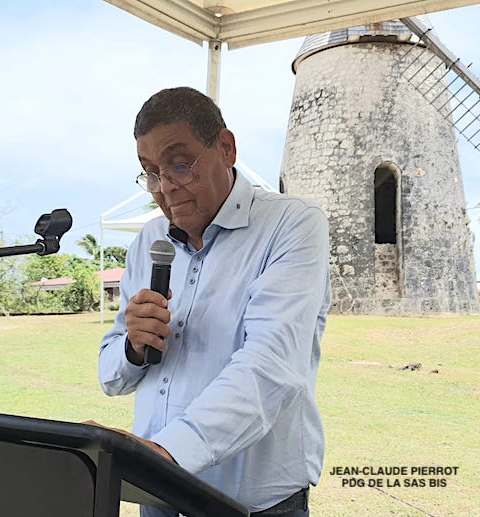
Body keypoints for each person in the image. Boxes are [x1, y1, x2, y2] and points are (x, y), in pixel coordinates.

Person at [98, 86, 331, 516]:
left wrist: (165, 454)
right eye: (150, 172)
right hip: (156, 496)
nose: (165, 188)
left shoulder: (291, 225)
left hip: (250, 503)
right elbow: (111, 375)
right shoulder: (150, 239)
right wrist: (132, 347)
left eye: (180, 164)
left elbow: (270, 366)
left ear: (226, 148)